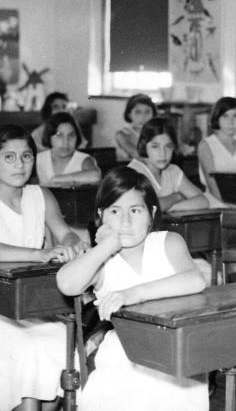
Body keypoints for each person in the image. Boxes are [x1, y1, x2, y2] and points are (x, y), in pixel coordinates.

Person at [56, 166, 208, 411]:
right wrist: (106, 245)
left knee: (173, 389)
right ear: (100, 216)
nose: (125, 221)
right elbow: (67, 283)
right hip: (124, 351)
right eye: (115, 211)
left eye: (135, 210)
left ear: (152, 213)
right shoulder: (102, 261)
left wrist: (131, 294)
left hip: (173, 347)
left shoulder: (168, 242)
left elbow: (195, 280)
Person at [0, 124, 86, 411]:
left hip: (31, 302)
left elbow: (63, 231)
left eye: (26, 156)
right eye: (9, 157)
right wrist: (39, 254)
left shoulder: (41, 195)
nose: (19, 164)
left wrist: (72, 244)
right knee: (28, 349)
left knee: (60, 343)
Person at [128, 117, 208, 212]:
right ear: (144, 145)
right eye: (155, 146)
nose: (162, 153)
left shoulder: (173, 170)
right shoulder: (133, 172)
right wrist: (176, 196)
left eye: (168, 146)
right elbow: (147, 208)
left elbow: (203, 201)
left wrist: (169, 208)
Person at [197, 97, 236, 206]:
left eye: (235, 116)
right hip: (215, 203)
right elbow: (213, 186)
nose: (231, 122)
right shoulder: (206, 145)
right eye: (225, 116)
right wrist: (234, 208)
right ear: (217, 118)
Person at [35, 112, 101, 187]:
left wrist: (58, 179)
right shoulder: (38, 159)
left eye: (71, 135)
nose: (66, 142)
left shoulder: (84, 159)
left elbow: (96, 176)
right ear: (49, 137)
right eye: (59, 135)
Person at [114, 93, 157, 161]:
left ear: (153, 114)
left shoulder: (156, 134)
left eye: (147, 112)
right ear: (129, 115)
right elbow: (136, 154)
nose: (143, 117)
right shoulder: (122, 135)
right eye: (138, 112)